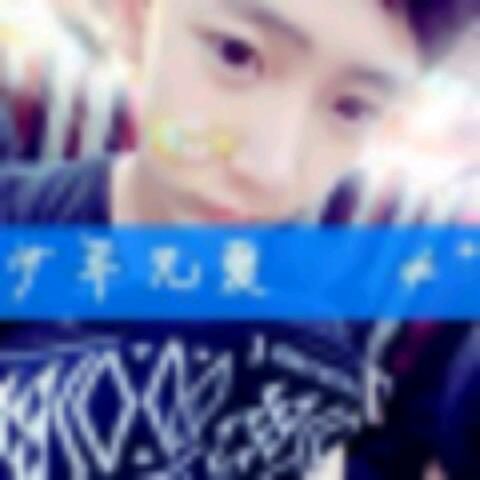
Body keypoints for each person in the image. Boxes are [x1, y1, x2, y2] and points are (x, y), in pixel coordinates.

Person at [0, 1, 477, 479]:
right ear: (136, 15)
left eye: (351, 107)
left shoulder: (303, 369)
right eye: (235, 53)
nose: (269, 170)